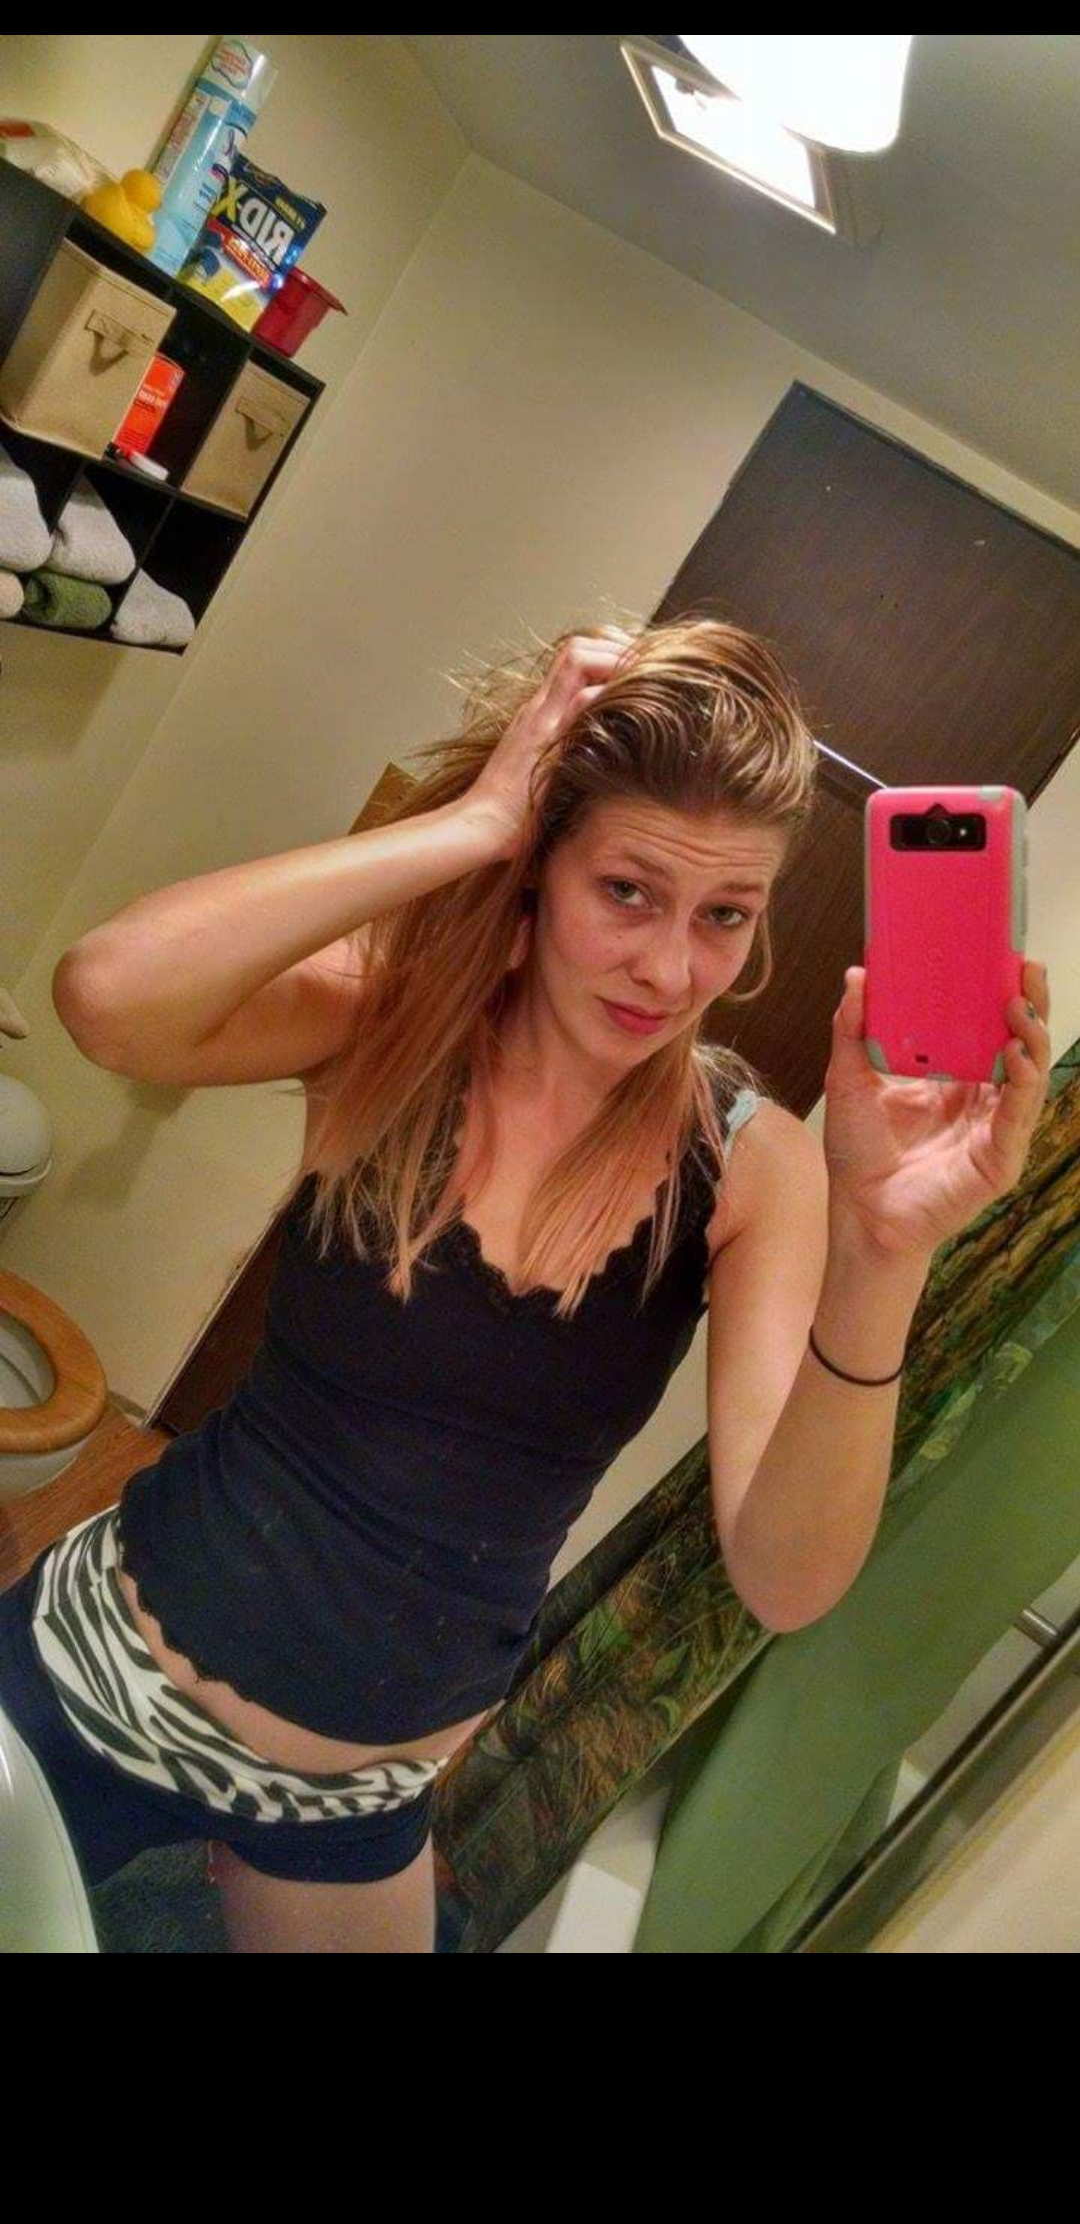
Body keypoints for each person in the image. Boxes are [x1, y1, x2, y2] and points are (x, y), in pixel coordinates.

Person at [0, 613, 1051, 1950]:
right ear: (541, 868)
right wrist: (475, 822)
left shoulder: (753, 1165)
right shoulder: (397, 1022)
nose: (671, 969)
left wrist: (884, 1254)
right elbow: (107, 998)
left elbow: (784, 1580)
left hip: (353, 1798)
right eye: (628, 892)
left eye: (724, 916)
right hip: (106, 1666)